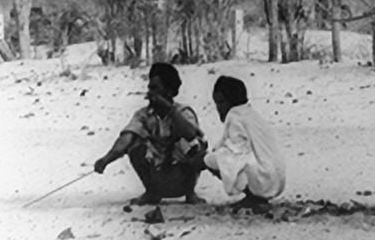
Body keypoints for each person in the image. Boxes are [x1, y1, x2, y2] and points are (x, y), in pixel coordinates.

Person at [93, 62, 206, 205]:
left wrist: (169, 110)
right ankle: (152, 193)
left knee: (194, 144)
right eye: (149, 88)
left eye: (155, 89)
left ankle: (191, 193)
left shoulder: (184, 112)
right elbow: (126, 139)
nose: (150, 93)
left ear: (169, 91)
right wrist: (105, 160)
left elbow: (190, 134)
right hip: (158, 178)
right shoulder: (143, 115)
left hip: (182, 177)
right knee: (135, 144)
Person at [203, 75, 286, 211]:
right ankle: (255, 195)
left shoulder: (235, 116)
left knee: (213, 160)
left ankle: (253, 197)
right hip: (277, 176)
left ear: (231, 101)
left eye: (221, 102)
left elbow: (237, 150)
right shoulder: (251, 113)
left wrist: (205, 159)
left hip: (265, 178)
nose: (218, 108)